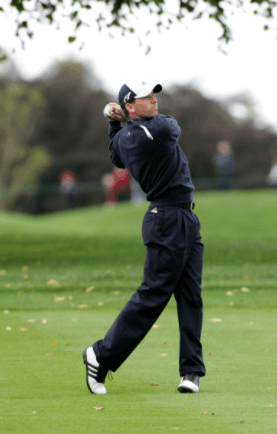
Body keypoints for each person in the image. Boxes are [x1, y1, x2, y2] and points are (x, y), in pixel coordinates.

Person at [83, 81, 205, 395]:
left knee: (190, 294)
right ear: (131, 105)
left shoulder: (125, 136)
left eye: (154, 95)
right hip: (167, 219)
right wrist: (121, 117)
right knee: (153, 295)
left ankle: (191, 371)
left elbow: (115, 155)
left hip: (184, 217)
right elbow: (172, 126)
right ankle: (101, 354)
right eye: (146, 97)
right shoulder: (154, 131)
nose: (154, 100)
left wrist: (113, 121)